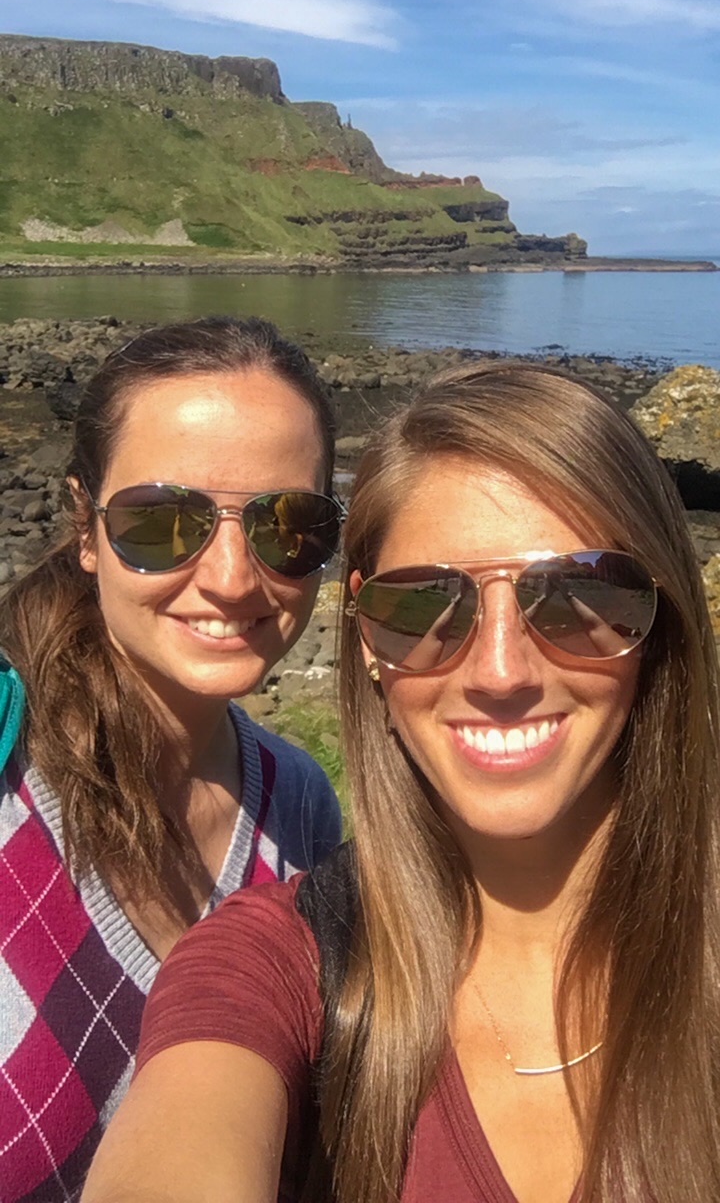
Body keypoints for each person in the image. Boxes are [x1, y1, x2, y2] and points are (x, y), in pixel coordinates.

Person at [82, 361, 720, 1203]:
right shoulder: (275, 961)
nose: (500, 672)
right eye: (424, 604)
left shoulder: (291, 793)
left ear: (661, 618)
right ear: (369, 641)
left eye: (579, 595)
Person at [0, 316, 344, 1201]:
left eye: (288, 525)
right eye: (162, 522)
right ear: (85, 528)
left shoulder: (300, 808)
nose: (232, 577)